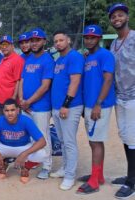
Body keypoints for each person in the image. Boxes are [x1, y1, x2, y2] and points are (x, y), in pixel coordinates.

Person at [76, 25, 116, 194]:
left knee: (95, 141)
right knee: (96, 140)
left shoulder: (105, 55)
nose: (89, 40)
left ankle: (94, 181)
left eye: (92, 37)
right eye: (87, 37)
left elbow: (108, 80)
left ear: (98, 38)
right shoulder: (87, 57)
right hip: (90, 105)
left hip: (100, 105)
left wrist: (98, 104)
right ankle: (98, 175)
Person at [0, 99, 47, 182]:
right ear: (3, 111)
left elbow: (42, 141)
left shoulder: (26, 121)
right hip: (4, 146)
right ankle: (3, 165)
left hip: (23, 147)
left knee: (42, 154)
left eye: (12, 110)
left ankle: (25, 168)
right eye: (7, 110)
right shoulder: (0, 121)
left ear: (18, 110)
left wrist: (24, 154)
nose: (10, 113)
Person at [49, 31, 84, 190]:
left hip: (69, 107)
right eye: (56, 41)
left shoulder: (74, 57)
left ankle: (70, 175)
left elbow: (75, 82)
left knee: (69, 142)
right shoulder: (59, 59)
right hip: (57, 107)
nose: (58, 43)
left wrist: (66, 105)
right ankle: (65, 168)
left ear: (68, 40)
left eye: (61, 40)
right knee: (62, 141)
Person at [19, 28, 55, 180]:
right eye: (32, 40)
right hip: (25, 106)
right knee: (31, 136)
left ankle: (46, 166)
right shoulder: (29, 59)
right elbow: (21, 80)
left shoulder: (47, 60)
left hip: (40, 106)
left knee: (42, 137)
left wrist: (28, 101)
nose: (34, 43)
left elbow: (45, 86)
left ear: (44, 41)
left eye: (37, 40)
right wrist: (21, 100)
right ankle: (35, 160)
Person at [108, 2, 135, 198]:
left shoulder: (134, 38)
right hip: (120, 97)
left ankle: (132, 182)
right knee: (125, 136)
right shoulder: (114, 43)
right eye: (113, 16)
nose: (117, 18)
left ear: (127, 16)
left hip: (134, 96)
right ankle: (130, 176)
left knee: (132, 137)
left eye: (120, 15)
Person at [0, 35, 24, 116]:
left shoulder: (17, 59)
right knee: (3, 124)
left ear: (12, 46)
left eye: (6, 45)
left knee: (12, 125)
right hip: (1, 99)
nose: (4, 47)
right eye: (2, 45)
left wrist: (13, 98)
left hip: (9, 101)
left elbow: (18, 80)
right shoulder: (4, 58)